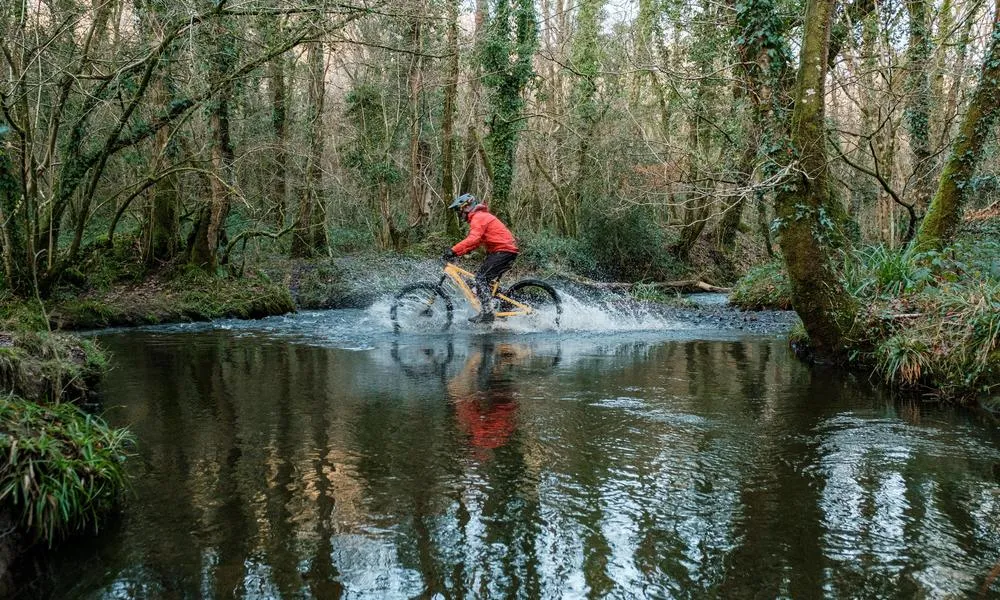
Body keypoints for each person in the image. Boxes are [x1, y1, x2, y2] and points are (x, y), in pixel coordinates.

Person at [442, 193, 519, 324]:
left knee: (480, 278)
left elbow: (473, 239)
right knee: (484, 282)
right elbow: (475, 243)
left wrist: (452, 250)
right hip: (502, 251)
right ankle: (504, 306)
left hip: (503, 251)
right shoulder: (479, 217)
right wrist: (456, 253)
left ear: (466, 207)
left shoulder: (479, 217)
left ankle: (487, 313)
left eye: (458, 211)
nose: (458, 215)